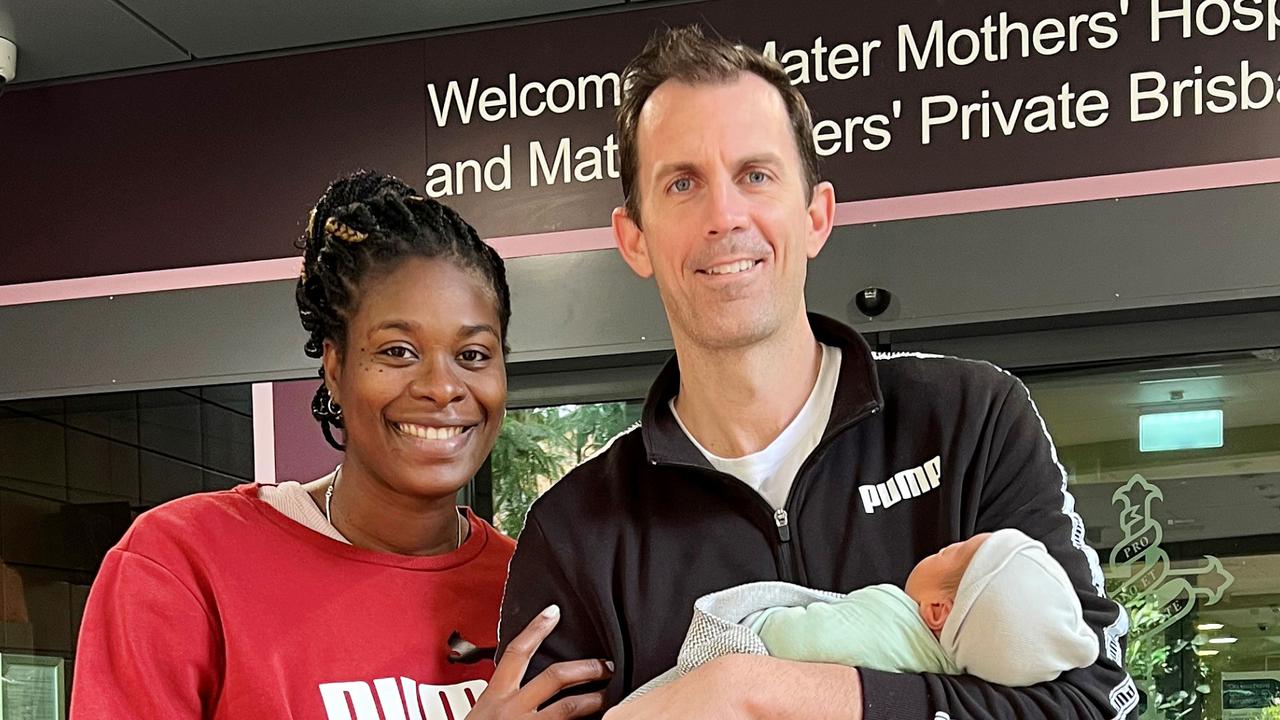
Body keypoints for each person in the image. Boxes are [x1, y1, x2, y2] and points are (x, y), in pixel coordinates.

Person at [496, 26, 1136, 720]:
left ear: (816, 216)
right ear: (634, 239)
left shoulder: (969, 421)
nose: (725, 216)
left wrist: (753, 693)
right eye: (683, 183)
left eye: (756, 175)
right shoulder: (576, 532)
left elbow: (1095, 701)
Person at [71, 172, 610, 719]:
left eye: (473, 355)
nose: (443, 387)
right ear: (335, 366)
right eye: (398, 351)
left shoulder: (531, 591)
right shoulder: (183, 563)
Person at [629, 528, 1100, 700]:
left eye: (952, 551)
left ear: (937, 610)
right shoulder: (942, 675)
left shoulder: (889, 618)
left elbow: (800, 643)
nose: (942, 545)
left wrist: (763, 622)